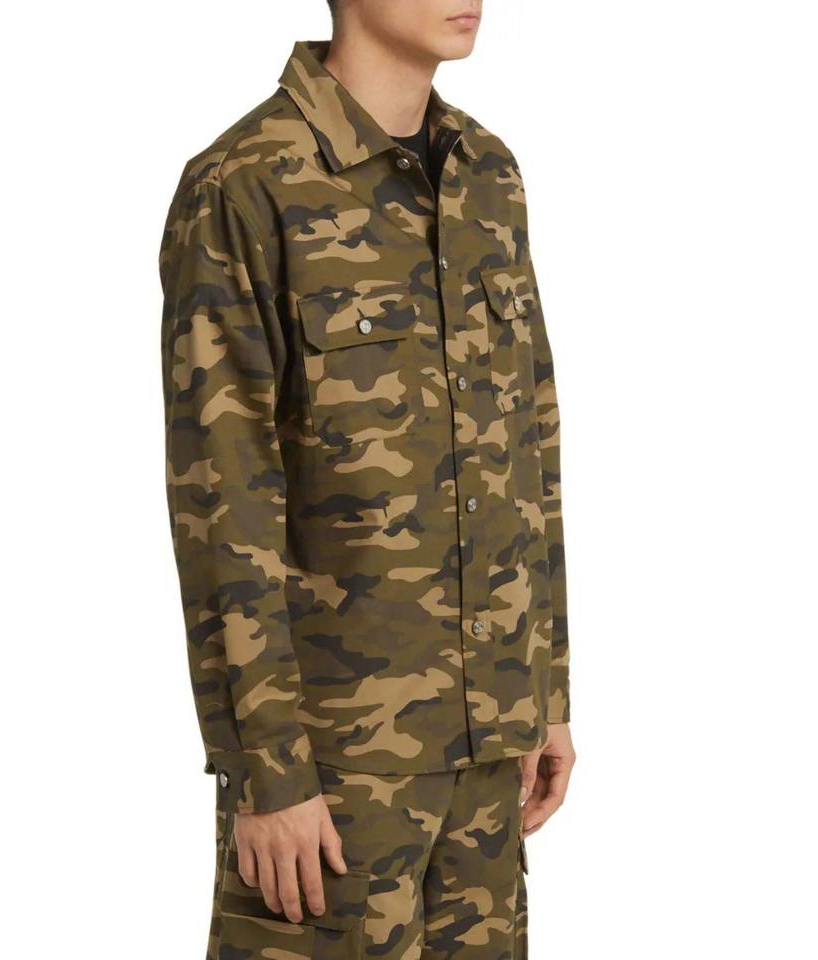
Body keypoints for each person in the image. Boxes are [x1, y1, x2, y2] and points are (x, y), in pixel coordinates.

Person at [158, 2, 575, 957]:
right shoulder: (245, 184)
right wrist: (267, 773)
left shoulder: (487, 174)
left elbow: (532, 442)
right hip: (333, 773)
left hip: (490, 747)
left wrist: (544, 688)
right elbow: (223, 501)